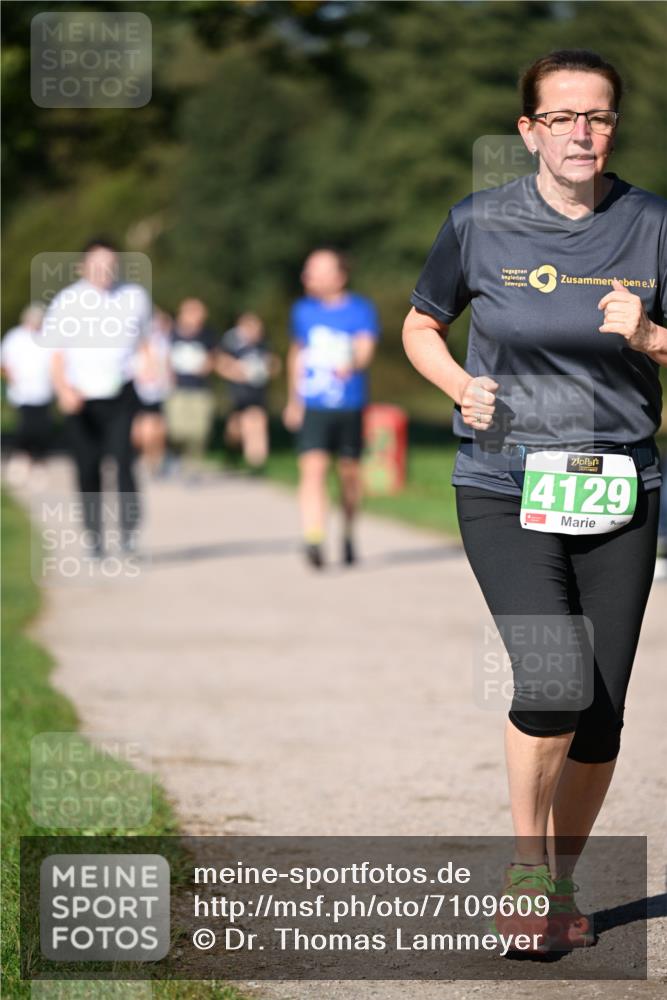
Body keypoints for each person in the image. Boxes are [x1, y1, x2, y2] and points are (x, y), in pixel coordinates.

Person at [402, 50, 665, 952]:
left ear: (612, 127)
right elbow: (421, 324)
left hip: (621, 484)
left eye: (597, 116)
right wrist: (455, 385)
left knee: (601, 709)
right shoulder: (476, 223)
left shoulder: (652, 224)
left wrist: (652, 334)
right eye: (561, 118)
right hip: (502, 480)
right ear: (528, 131)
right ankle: (524, 871)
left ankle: (558, 885)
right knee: (552, 680)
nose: (580, 133)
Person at [46, 237, 151, 555]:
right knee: (88, 467)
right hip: (81, 398)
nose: (104, 271)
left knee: (123, 461)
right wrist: (63, 390)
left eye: (110, 264)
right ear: (83, 267)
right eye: (97, 264)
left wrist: (149, 370)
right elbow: (55, 353)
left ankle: (128, 532)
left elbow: (145, 342)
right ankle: (95, 536)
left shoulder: (134, 297)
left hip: (122, 393)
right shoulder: (67, 301)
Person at [283, 248, 380, 568]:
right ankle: (314, 537)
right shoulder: (302, 311)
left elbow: (365, 350)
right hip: (314, 404)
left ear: (339, 276)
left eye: (315, 270)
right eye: (307, 270)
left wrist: (351, 363)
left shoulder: (360, 309)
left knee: (349, 475)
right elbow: (297, 354)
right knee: (313, 470)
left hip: (349, 405)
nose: (307, 276)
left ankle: (348, 532)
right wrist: (294, 400)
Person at [217, 312, 280, 471]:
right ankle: (232, 455)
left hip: (257, 395)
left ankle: (257, 464)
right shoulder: (232, 344)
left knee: (256, 425)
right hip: (238, 395)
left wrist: (266, 371)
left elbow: (275, 365)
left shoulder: (264, 346)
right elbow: (220, 364)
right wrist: (238, 373)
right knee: (235, 431)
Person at [0, 303, 54, 489]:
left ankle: (38, 461)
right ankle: (21, 458)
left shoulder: (48, 338)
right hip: (22, 392)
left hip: (44, 392)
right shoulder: (15, 337)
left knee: (42, 429)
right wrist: (12, 379)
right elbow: (5, 362)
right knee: (25, 427)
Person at [164, 298, 217, 481]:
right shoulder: (171, 333)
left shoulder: (208, 335)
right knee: (176, 430)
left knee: (199, 432)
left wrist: (207, 365)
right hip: (177, 389)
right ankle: (173, 455)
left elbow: (213, 357)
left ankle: (192, 466)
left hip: (200, 389)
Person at [131, 307, 172, 476]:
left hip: (158, 389)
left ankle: (155, 459)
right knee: (147, 428)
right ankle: (148, 458)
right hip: (144, 389)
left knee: (158, 428)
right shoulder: (139, 339)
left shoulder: (162, 340)